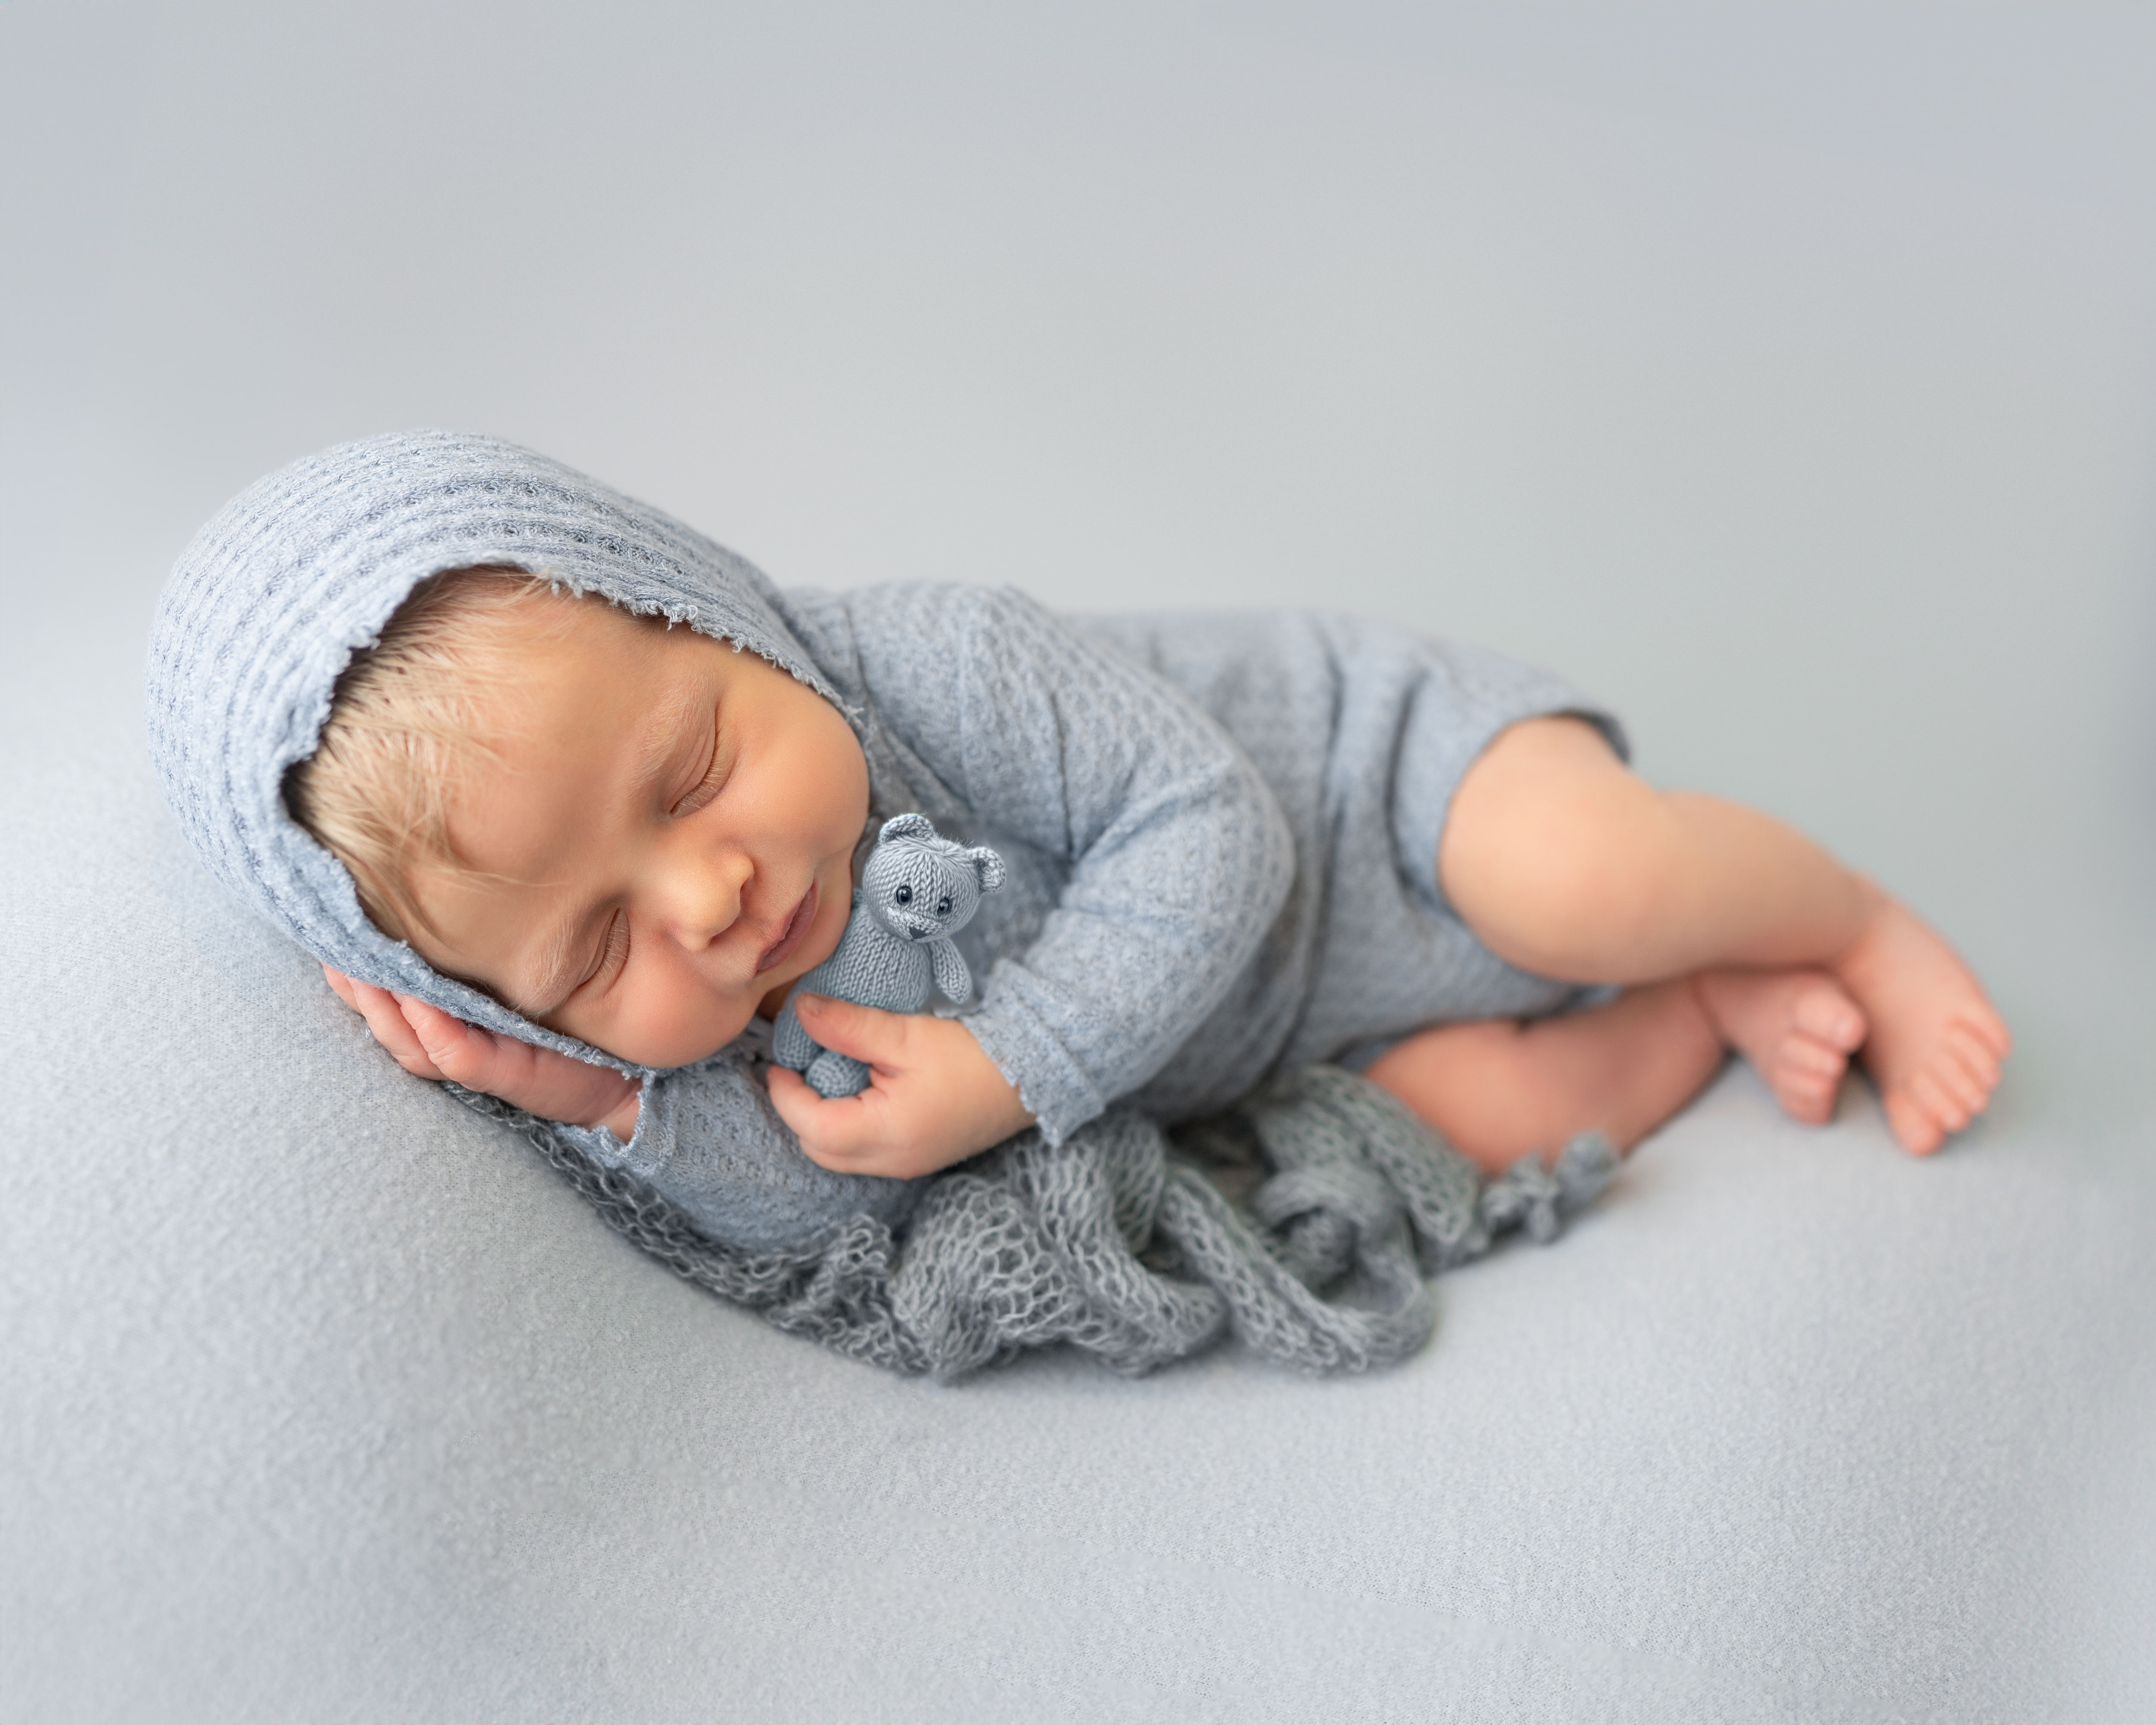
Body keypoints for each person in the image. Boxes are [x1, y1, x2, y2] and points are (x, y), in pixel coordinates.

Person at [151, 432, 2007, 1257]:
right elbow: (819, 1190)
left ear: (703, 606)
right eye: (587, 956)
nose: (710, 899)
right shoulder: (719, 1018)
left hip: (1383, 788)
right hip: (1308, 1039)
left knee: (1573, 879)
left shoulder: (939, 662)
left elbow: (1218, 834)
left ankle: (1846, 913)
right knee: (1451, 1134)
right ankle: (1707, 1003)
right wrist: (606, 1110)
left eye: (694, 768)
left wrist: (999, 1067)